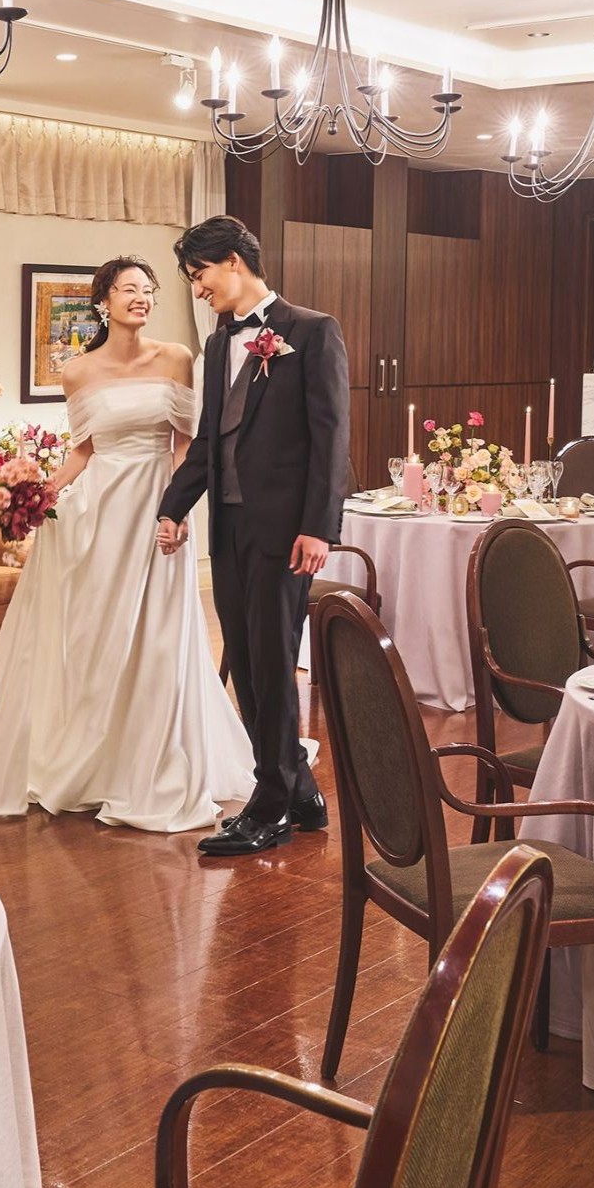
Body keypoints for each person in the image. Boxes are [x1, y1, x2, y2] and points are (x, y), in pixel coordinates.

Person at [0, 256, 254, 832]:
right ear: (103, 302)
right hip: (98, 512)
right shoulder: (77, 371)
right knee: (96, 633)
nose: (142, 298)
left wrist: (177, 509)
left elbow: (184, 445)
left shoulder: (176, 356)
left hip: (158, 505)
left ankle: (153, 763)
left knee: (158, 634)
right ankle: (92, 761)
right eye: (129, 289)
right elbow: (84, 451)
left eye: (148, 290)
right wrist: (32, 498)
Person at [157, 216, 349, 857]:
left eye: (200, 274)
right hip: (229, 527)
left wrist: (318, 528)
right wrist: (174, 507)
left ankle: (270, 809)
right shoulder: (218, 346)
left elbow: (331, 441)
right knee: (245, 659)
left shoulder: (313, 332)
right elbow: (209, 440)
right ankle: (300, 791)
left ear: (234, 261)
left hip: (287, 534)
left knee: (272, 664)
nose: (198, 289)